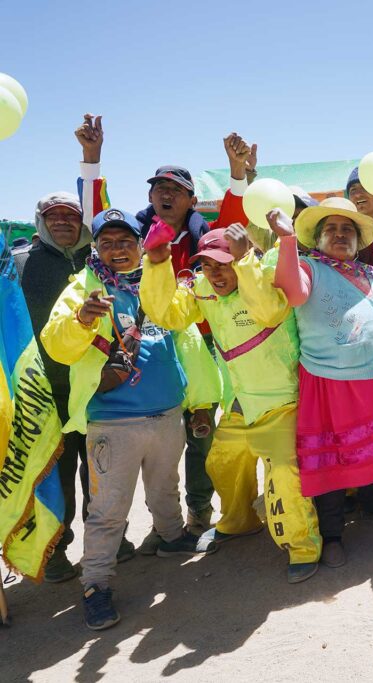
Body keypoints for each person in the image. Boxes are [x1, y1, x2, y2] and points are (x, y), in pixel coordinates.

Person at [75, 114, 253, 544]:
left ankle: (197, 515)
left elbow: (237, 216)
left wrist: (237, 173)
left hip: (200, 351)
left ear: (192, 201)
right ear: (150, 197)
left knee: (201, 436)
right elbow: (96, 218)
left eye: (176, 190)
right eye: (159, 188)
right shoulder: (132, 236)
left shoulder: (203, 238)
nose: (166, 194)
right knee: (159, 446)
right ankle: (156, 529)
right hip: (140, 359)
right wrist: (91, 159)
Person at [40, 208, 220, 630]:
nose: (116, 250)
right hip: (113, 423)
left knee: (164, 488)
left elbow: (187, 331)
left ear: (141, 246)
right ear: (96, 248)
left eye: (125, 242)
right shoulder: (81, 288)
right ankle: (96, 584)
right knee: (108, 509)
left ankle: (172, 539)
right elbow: (58, 347)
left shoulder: (159, 284)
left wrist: (198, 399)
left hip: (166, 413)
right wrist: (83, 319)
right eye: (107, 243)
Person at [140, 226, 323, 584]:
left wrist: (243, 262)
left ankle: (303, 547)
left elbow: (270, 313)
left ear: (240, 257)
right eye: (207, 265)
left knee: (284, 474)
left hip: (283, 401)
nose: (215, 273)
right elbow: (170, 316)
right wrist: (158, 262)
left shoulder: (263, 276)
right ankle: (240, 521)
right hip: (244, 402)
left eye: (222, 263)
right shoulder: (203, 289)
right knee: (221, 461)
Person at [269, 198, 373, 564]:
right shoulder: (308, 267)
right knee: (332, 458)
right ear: (317, 239)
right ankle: (333, 533)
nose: (340, 235)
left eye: (347, 230)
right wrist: (287, 241)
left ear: (358, 240)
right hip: (332, 382)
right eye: (331, 230)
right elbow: (293, 291)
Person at [13, 192, 135, 582]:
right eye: (54, 215)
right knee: (56, 473)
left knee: (100, 470)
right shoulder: (18, 265)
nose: (63, 221)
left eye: (71, 215)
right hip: (42, 389)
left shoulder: (96, 261)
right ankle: (57, 549)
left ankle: (110, 540)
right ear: (40, 221)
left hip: (95, 386)